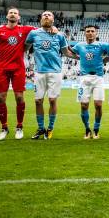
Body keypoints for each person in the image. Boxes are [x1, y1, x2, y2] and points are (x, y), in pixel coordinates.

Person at [0, 7, 49, 140]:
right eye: (11, 13)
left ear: (19, 17)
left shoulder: (25, 29)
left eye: (15, 13)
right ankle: (4, 128)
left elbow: (43, 29)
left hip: (18, 68)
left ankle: (19, 127)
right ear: (7, 16)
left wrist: (52, 29)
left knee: (19, 97)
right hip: (2, 68)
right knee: (1, 98)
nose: (13, 14)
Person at [24, 11, 77, 139]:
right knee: (38, 101)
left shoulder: (59, 35)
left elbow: (66, 53)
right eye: (44, 15)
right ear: (41, 19)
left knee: (52, 100)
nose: (46, 16)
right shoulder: (33, 33)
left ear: (53, 20)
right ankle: (41, 128)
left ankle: (50, 128)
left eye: (49, 15)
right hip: (39, 72)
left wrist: (81, 58)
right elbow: (24, 48)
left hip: (55, 72)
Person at [71, 25, 109, 139]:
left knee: (98, 105)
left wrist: (104, 61)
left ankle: (96, 129)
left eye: (92, 31)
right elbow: (70, 52)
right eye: (88, 31)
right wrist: (80, 58)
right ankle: (87, 129)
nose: (90, 33)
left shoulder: (101, 45)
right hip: (84, 78)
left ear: (96, 33)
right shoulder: (79, 46)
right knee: (84, 106)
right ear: (85, 33)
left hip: (98, 78)